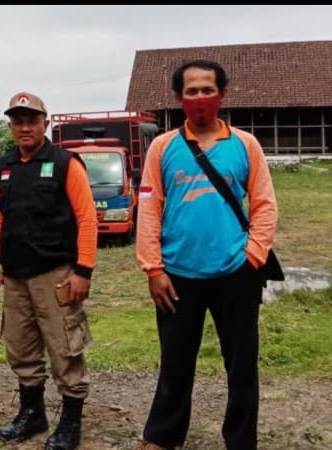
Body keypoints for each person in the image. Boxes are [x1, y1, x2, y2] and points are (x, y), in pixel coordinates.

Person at [136, 60, 278, 450]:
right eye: (191, 91)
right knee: (176, 362)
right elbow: (148, 208)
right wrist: (153, 268)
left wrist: (253, 255)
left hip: (236, 272)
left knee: (242, 365)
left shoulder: (245, 144)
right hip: (177, 276)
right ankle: (163, 436)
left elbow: (264, 204)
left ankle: (240, 440)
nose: (200, 97)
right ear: (179, 98)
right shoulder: (163, 147)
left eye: (207, 89)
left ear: (222, 94)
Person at [0, 92, 98, 450]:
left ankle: (70, 423)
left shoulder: (66, 163)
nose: (24, 127)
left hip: (56, 274)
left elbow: (87, 218)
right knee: (21, 348)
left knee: (65, 347)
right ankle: (32, 414)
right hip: (15, 275)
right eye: (18, 121)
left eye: (31, 120)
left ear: (45, 124)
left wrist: (83, 270)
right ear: (10, 126)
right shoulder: (6, 166)